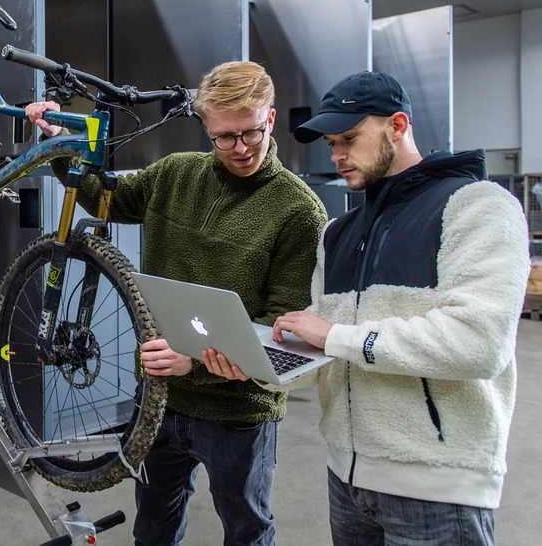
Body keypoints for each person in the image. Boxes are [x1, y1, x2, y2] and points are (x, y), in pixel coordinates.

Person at [206, 70, 530, 545]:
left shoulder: (476, 206)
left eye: (350, 138)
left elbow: (480, 343)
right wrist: (259, 365)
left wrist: (334, 336)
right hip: (347, 479)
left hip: (436, 489)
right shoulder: (338, 233)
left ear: (397, 126)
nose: (337, 155)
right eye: (332, 142)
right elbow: (326, 356)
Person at [25, 60, 328, 546]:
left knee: (247, 528)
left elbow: (282, 327)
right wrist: (60, 143)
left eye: (250, 132)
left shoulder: (299, 210)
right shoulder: (175, 175)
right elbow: (103, 198)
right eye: (223, 137)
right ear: (206, 126)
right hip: (162, 399)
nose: (240, 149)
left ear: (270, 119)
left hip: (240, 411)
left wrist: (197, 363)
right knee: (154, 527)